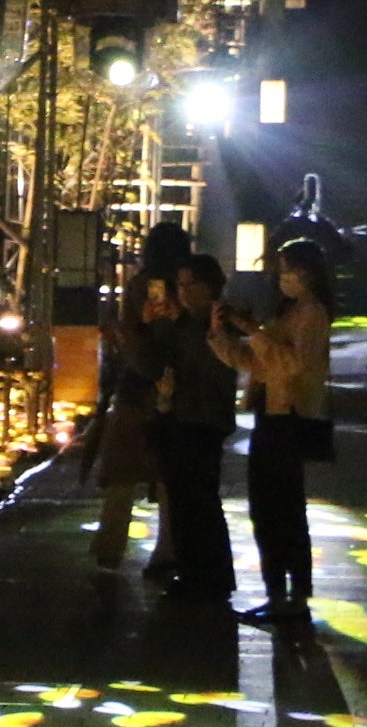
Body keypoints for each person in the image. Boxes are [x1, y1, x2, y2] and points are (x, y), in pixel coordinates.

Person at [218, 235, 337, 624]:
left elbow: (292, 365)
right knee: (266, 508)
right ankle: (277, 593)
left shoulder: (312, 314)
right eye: (281, 271)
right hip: (270, 415)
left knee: (283, 508)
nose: (283, 278)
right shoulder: (288, 313)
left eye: (289, 270)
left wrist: (254, 330)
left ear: (308, 272)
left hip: (289, 418)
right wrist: (223, 334)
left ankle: (294, 596)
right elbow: (258, 362)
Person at [151, 254, 240, 604]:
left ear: (210, 287)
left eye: (190, 286)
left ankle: (208, 575)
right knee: (185, 500)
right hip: (182, 416)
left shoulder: (216, 323)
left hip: (204, 419)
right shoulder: (185, 323)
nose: (183, 293)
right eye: (180, 286)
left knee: (199, 500)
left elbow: (218, 369)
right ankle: (195, 572)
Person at [88, 271, 172, 572]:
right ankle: (165, 552)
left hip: (139, 400)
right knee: (164, 482)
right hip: (159, 401)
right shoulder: (169, 315)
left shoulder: (140, 322)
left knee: (125, 478)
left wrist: (136, 331)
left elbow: (144, 362)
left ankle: (111, 548)